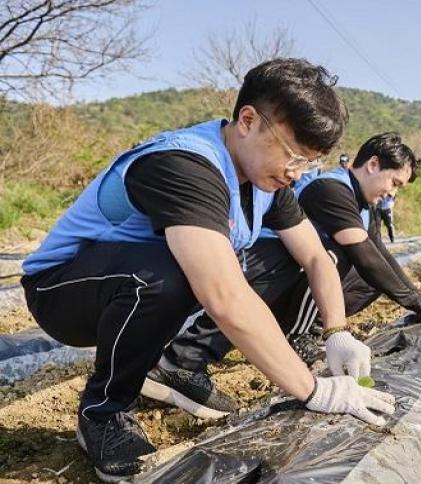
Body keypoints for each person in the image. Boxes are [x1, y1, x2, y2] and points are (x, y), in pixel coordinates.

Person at [20, 58, 394, 481]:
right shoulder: (185, 165)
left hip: (132, 286)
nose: (296, 172)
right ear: (248, 120)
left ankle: (177, 367)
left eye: (308, 162)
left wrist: (337, 331)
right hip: (62, 289)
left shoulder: (269, 182)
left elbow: (316, 258)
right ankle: (104, 412)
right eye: (293, 154)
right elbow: (224, 297)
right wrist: (313, 389)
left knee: (282, 256)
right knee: (169, 276)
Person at [149, 132, 421, 417]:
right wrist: (414, 302)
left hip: (262, 277)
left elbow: (379, 257)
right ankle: (185, 358)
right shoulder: (330, 189)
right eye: (394, 183)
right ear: (372, 164)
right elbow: (362, 256)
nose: (393, 194)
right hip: (240, 268)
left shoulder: (361, 206)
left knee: (365, 276)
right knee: (330, 255)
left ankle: (300, 333)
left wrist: (416, 301)